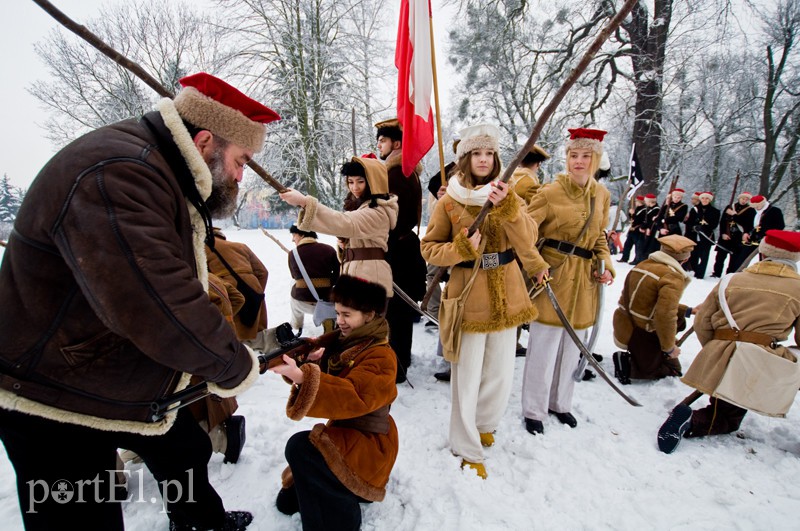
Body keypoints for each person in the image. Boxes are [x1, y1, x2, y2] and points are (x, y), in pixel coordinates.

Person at [0, 72, 273, 530]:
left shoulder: (150, 169)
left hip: (100, 369)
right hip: (53, 394)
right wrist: (237, 366)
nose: (241, 176)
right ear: (205, 142)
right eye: (241, 161)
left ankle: (199, 520)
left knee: (183, 448)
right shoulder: (118, 173)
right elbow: (157, 303)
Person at [420, 123, 541, 479]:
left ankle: (485, 422)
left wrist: (510, 209)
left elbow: (529, 238)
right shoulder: (449, 199)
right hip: (468, 291)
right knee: (467, 375)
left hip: (508, 291)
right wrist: (457, 249)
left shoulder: (508, 194)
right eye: (477, 154)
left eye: (489, 154)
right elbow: (428, 247)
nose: (484, 160)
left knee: (500, 373)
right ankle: (466, 444)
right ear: (465, 159)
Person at [271, 275, 398, 530]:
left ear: (369, 315)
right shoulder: (348, 344)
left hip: (369, 445)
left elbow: (354, 395)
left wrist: (302, 377)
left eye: (347, 315)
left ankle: (342, 520)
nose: (339, 321)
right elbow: (336, 383)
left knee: (299, 447)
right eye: (338, 313)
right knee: (286, 502)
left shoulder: (381, 356)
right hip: (345, 434)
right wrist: (315, 362)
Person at [657, 230, 800, 454]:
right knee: (728, 417)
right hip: (760, 359)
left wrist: (716, 352)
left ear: (762, 254)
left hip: (721, 347)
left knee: (726, 392)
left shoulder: (730, 280)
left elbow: (703, 322)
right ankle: (693, 422)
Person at [522, 127, 615, 435]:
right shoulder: (550, 192)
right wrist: (535, 264)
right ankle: (533, 408)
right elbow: (524, 232)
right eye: (573, 155)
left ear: (596, 159)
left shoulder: (601, 195)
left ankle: (560, 403)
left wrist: (608, 265)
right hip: (554, 274)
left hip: (585, 280)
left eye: (585, 156)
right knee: (544, 346)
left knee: (572, 346)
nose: (578, 162)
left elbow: (599, 236)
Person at [196, 226, 270, 465]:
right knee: (247, 332)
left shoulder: (200, 250)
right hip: (249, 291)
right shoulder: (239, 246)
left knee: (230, 337)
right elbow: (263, 271)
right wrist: (255, 289)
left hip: (222, 292)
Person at [279, 156, 398, 301]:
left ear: (374, 182)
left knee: (367, 323)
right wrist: (345, 246)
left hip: (370, 277)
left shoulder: (379, 211)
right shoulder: (365, 207)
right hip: (358, 274)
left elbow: (346, 222)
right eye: (350, 182)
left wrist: (304, 202)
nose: (355, 187)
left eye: (360, 181)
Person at [375, 118, 428, 382]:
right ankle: (401, 360)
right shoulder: (405, 172)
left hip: (397, 249)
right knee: (400, 312)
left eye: (383, 140)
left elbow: (392, 219)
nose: (379, 145)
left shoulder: (395, 174)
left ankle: (397, 366)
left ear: (397, 143)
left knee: (397, 312)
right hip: (404, 247)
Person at [612, 235, 696, 383]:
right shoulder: (672, 277)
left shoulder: (643, 264)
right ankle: (629, 365)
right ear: (686, 259)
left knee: (680, 321)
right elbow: (665, 315)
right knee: (672, 370)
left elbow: (646, 302)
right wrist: (669, 348)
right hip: (642, 332)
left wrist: (688, 310)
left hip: (623, 323)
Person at [510, 144, 551, 356]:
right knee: (520, 297)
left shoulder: (510, 177)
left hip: (509, 248)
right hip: (523, 248)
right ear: (537, 164)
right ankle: (513, 341)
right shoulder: (531, 184)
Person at [287, 225, 340, 334]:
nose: (293, 239)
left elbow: (294, 276)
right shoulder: (329, 249)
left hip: (303, 303)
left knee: (293, 288)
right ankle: (329, 318)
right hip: (328, 302)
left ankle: (297, 324)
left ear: (302, 234)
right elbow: (338, 273)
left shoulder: (293, 253)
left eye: (294, 235)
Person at [731, 194, 785, 270]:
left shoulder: (774, 211)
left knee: (765, 261)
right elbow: (747, 223)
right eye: (754, 206)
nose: (756, 208)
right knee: (742, 259)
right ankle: (737, 274)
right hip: (753, 239)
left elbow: (780, 226)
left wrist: (768, 234)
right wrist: (746, 232)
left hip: (768, 240)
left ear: (762, 204)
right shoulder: (753, 211)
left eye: (757, 206)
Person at [712, 191, 754, 277]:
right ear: (739, 198)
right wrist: (723, 233)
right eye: (743, 198)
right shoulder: (731, 207)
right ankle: (716, 273)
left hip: (738, 237)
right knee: (720, 257)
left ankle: (729, 274)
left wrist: (734, 215)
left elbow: (747, 224)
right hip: (726, 236)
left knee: (734, 258)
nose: (744, 200)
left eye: (746, 199)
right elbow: (723, 221)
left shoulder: (750, 210)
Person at [686, 192, 720, 279]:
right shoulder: (694, 210)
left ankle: (700, 275)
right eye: (703, 198)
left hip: (706, 237)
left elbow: (714, 225)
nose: (704, 200)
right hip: (694, 236)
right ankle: (695, 269)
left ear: (710, 200)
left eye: (707, 198)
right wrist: (694, 227)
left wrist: (704, 228)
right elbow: (689, 222)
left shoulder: (715, 211)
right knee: (693, 255)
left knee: (704, 257)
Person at [634, 193, 661, 264]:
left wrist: (647, 227)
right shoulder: (649, 209)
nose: (645, 203)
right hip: (647, 230)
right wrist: (643, 227)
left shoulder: (656, 210)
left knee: (651, 246)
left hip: (653, 230)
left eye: (646, 201)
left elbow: (652, 222)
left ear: (650, 201)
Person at [617, 195, 645, 264]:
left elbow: (639, 220)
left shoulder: (644, 210)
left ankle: (637, 259)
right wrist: (630, 214)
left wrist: (633, 214)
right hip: (632, 230)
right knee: (627, 244)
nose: (635, 202)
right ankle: (624, 258)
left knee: (637, 246)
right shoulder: (637, 209)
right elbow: (632, 219)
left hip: (637, 230)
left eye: (636, 201)